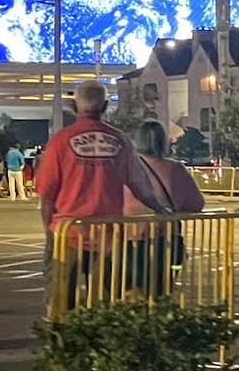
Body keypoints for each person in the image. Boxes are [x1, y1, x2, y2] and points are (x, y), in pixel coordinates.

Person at [36, 82, 168, 309]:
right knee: (106, 306)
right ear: (105, 106)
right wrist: (159, 209)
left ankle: (62, 339)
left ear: (73, 106)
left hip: (68, 232)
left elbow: (47, 195)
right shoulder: (121, 141)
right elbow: (140, 186)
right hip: (109, 235)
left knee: (60, 302)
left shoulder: (60, 142)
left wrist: (49, 228)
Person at [122, 120, 205, 295]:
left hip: (128, 240)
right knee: (161, 288)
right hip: (165, 239)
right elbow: (196, 203)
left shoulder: (125, 168)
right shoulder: (175, 169)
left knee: (129, 291)